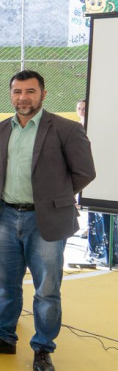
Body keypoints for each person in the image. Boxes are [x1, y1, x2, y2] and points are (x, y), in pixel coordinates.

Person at [0, 71, 96, 371]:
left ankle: (42, 348)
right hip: (6, 217)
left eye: (30, 91)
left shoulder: (65, 129)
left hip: (47, 220)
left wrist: (54, 198)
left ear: (43, 94)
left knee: (47, 289)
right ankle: (4, 337)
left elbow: (84, 173)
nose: (23, 97)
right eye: (17, 91)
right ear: (10, 94)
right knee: (4, 284)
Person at [76, 98, 109, 264]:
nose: (82, 110)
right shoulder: (75, 127)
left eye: (84, 108)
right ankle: (91, 236)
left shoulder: (97, 127)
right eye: (79, 108)